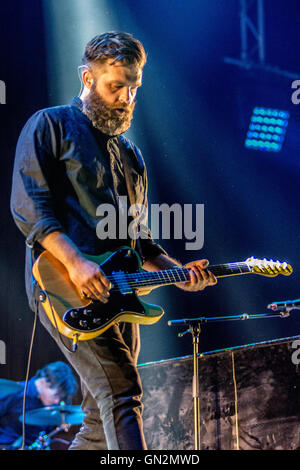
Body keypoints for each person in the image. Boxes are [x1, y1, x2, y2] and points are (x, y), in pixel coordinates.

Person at [10, 31, 217, 450]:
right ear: (87, 79)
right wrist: (76, 263)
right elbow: (29, 207)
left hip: (121, 292)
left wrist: (179, 274)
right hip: (63, 284)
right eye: (115, 86)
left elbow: (140, 242)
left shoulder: (132, 157)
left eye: (133, 87)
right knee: (122, 391)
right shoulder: (50, 125)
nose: (126, 97)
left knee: (98, 419)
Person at [0, 361, 78, 448]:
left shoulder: (52, 408)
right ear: (44, 382)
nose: (57, 401)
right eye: (56, 395)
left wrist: (61, 423)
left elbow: (45, 437)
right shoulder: (13, 393)